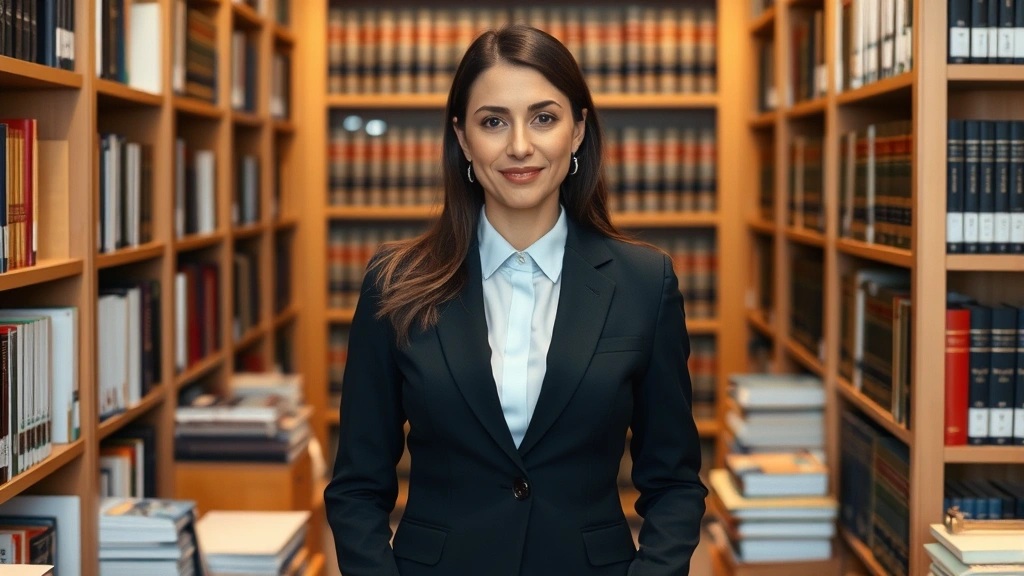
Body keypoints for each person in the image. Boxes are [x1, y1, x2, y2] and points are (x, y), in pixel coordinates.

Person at [325, 23, 707, 576]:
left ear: (577, 131)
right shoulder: (395, 281)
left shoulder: (645, 283)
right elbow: (357, 487)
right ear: (462, 139)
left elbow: (673, 483)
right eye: (493, 122)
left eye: (544, 118)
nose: (520, 145)